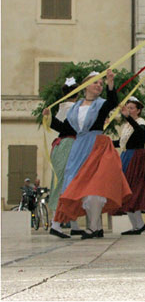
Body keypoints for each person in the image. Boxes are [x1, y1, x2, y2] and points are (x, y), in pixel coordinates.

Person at [46, 69, 131, 239]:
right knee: (79, 187)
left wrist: (110, 83)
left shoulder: (101, 104)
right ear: (85, 85)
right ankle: (96, 227)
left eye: (101, 83)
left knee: (96, 186)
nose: (99, 86)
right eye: (95, 82)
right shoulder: (74, 108)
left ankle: (93, 227)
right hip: (79, 148)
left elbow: (112, 101)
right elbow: (66, 129)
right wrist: (49, 118)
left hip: (98, 147)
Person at [113, 97, 145, 235]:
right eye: (128, 107)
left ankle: (138, 225)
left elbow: (140, 135)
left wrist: (128, 118)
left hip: (137, 158)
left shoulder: (140, 123)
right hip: (126, 156)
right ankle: (137, 225)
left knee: (133, 190)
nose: (129, 110)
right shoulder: (127, 126)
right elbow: (122, 143)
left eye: (132, 108)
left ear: (138, 110)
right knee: (126, 190)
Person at [46, 77, 83, 236]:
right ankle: (56, 224)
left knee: (67, 183)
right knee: (67, 184)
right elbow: (69, 128)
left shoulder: (62, 107)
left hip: (60, 146)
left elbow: (59, 126)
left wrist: (50, 118)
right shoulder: (74, 108)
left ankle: (73, 225)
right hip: (69, 146)